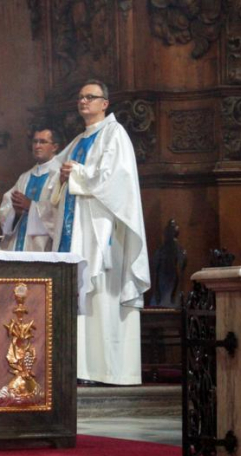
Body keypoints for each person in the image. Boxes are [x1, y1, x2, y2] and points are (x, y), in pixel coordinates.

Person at [49, 79, 150, 385]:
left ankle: (106, 370)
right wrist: (65, 176)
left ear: (105, 103)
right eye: (80, 97)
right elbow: (57, 177)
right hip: (77, 230)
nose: (84, 102)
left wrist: (75, 173)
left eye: (90, 97)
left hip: (101, 232)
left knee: (101, 296)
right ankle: (80, 368)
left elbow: (116, 181)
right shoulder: (79, 139)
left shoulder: (114, 134)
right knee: (80, 295)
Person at [0, 128, 61, 252]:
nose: (37, 146)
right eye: (35, 142)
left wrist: (31, 206)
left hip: (43, 247)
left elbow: (60, 212)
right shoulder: (25, 177)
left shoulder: (59, 176)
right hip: (17, 245)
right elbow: (6, 208)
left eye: (43, 142)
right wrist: (16, 213)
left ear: (54, 147)